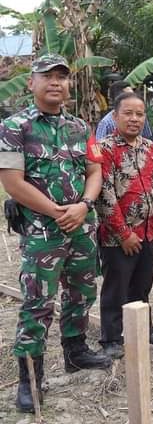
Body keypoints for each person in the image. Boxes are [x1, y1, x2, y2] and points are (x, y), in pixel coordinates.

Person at [0, 54, 111, 413]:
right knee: (37, 304)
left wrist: (83, 205)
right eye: (46, 76)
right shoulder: (15, 128)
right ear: (31, 82)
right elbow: (13, 184)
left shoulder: (80, 127)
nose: (55, 82)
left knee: (81, 293)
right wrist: (57, 212)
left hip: (81, 228)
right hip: (41, 234)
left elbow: (94, 170)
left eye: (62, 77)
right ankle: (29, 379)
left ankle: (76, 352)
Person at [96, 92, 153, 358]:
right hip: (117, 237)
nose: (134, 119)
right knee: (116, 287)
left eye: (139, 114)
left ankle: (144, 329)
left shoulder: (150, 147)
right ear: (115, 116)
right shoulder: (104, 149)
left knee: (142, 285)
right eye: (128, 113)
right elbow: (103, 195)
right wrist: (124, 234)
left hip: (150, 233)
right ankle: (111, 338)